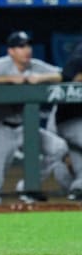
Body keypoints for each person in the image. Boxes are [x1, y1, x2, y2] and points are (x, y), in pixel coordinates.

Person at [0, 31, 72, 206]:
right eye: (21, 46)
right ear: (11, 51)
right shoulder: (2, 65)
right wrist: (8, 79)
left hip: (24, 127)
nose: (26, 49)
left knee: (58, 147)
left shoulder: (35, 66)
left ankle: (27, 186)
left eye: (28, 45)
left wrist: (40, 77)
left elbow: (64, 75)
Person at [53, 44, 82, 201]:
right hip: (70, 119)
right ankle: (25, 188)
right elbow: (66, 77)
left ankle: (77, 189)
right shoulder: (79, 56)